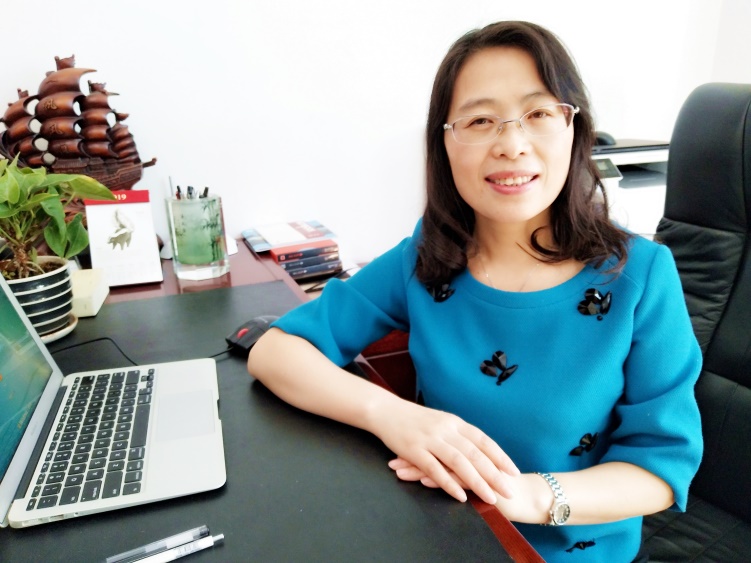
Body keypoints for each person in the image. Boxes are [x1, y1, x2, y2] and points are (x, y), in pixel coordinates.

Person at [247, 20, 703, 562]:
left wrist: (527, 495)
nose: (511, 145)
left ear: (573, 127)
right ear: (445, 143)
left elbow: (661, 467)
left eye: (538, 113)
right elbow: (275, 351)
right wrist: (392, 415)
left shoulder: (640, 277)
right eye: (480, 120)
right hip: (441, 536)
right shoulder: (428, 257)